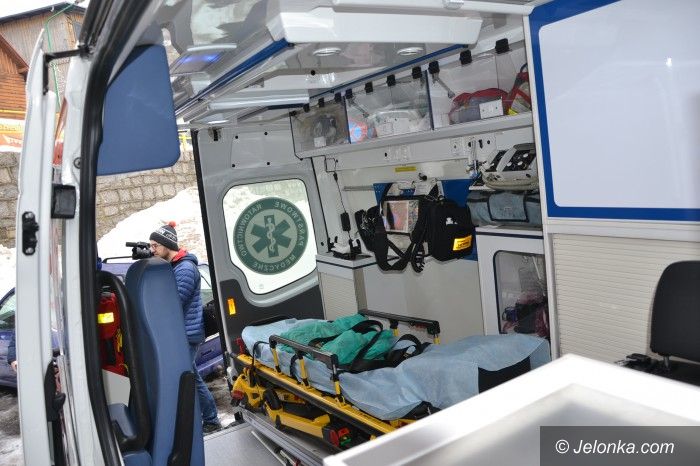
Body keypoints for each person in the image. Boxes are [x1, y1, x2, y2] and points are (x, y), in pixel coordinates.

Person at [149, 222, 221, 433]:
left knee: (188, 377)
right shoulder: (175, 266)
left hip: (187, 334)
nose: (152, 250)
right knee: (189, 376)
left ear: (166, 244)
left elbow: (174, 302)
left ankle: (210, 420)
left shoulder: (186, 269)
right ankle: (206, 419)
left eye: (155, 245)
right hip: (181, 333)